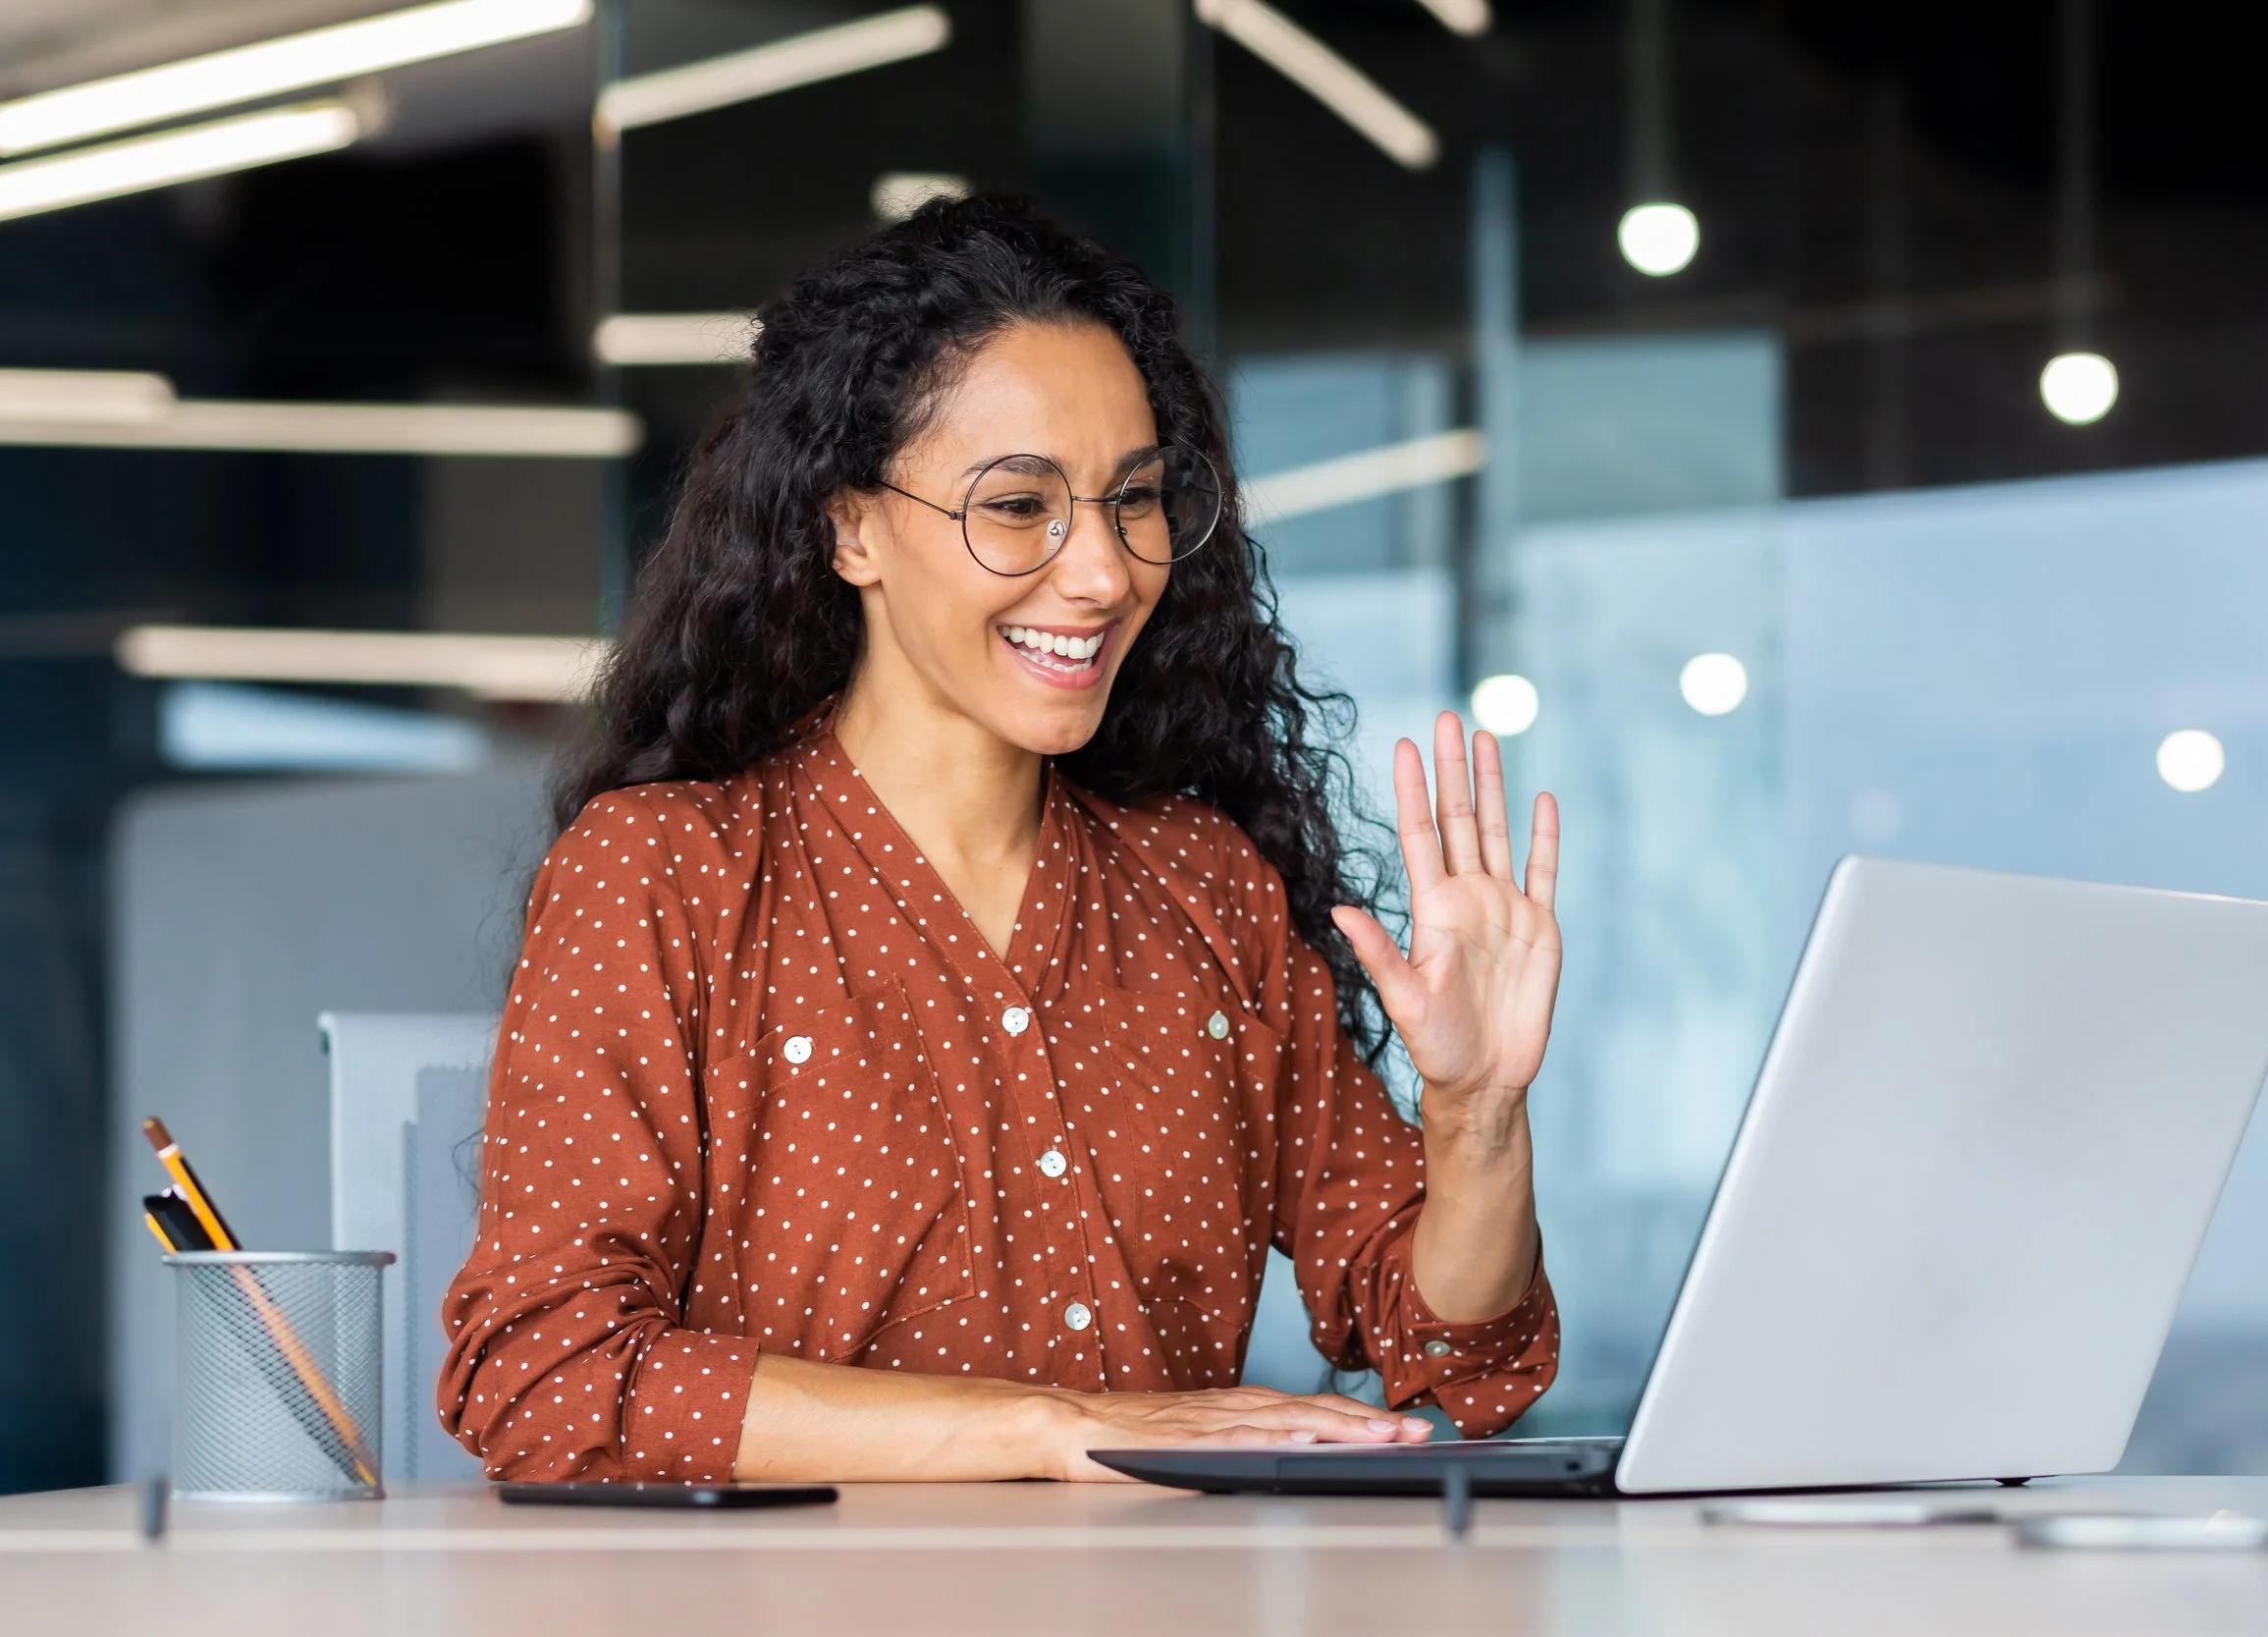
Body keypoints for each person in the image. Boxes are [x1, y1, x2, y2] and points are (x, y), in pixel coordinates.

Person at [437, 195, 1565, 1483]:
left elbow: (1458, 1360)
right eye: (1020, 505)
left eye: (1134, 500)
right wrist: (1039, 1426)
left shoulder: (1208, 890)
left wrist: (1476, 1114)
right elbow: (542, 1373)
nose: (1100, 571)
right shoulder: (666, 873)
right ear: (848, 525)